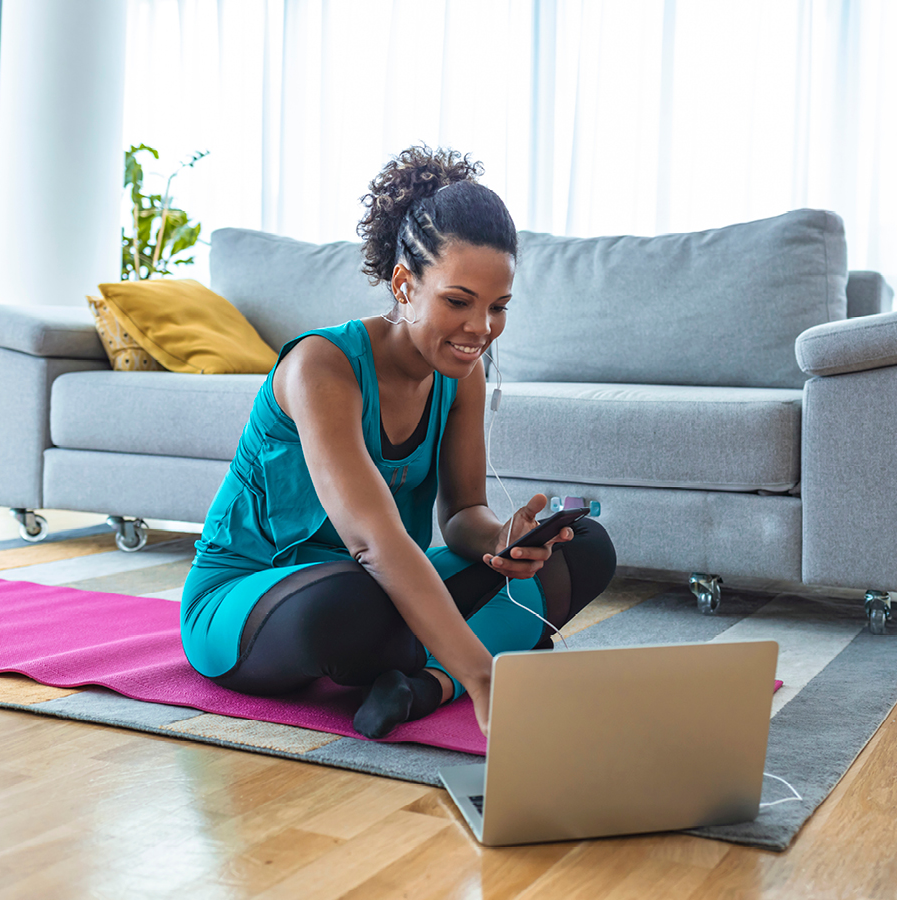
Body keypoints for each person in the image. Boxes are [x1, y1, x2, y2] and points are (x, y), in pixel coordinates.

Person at [180, 145, 616, 739]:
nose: (481, 330)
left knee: (581, 547)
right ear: (405, 285)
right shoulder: (321, 367)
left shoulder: (461, 371)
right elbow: (373, 543)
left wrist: (503, 539)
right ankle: (458, 672)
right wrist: (486, 677)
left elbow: (461, 515)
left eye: (498, 307)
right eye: (458, 302)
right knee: (353, 600)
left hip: (377, 580)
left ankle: (424, 685)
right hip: (254, 602)